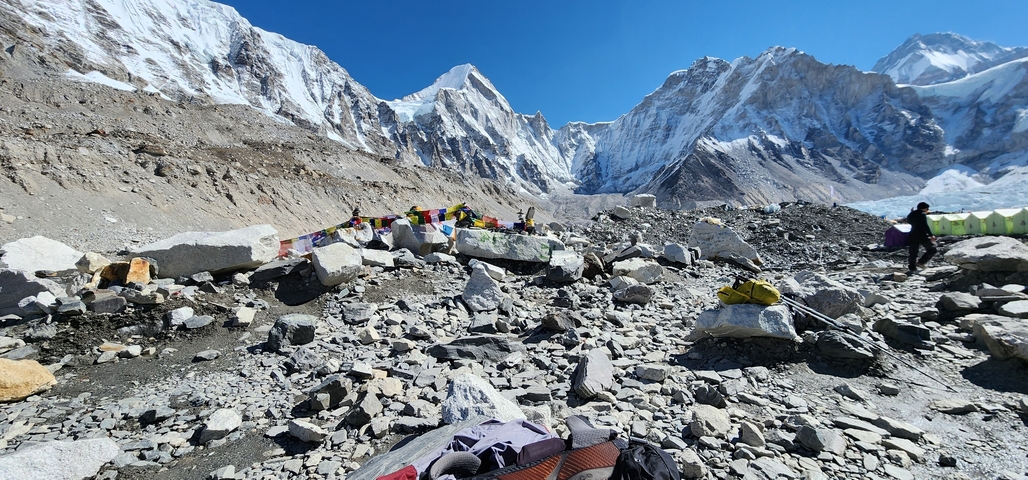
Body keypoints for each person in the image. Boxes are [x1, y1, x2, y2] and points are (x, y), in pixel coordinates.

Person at [906, 202, 937, 272]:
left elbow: (909, 221)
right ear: (925, 208)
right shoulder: (922, 214)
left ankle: (912, 267)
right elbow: (925, 225)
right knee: (932, 249)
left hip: (912, 234)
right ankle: (921, 262)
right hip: (921, 235)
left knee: (913, 252)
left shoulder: (911, 214)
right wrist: (931, 235)